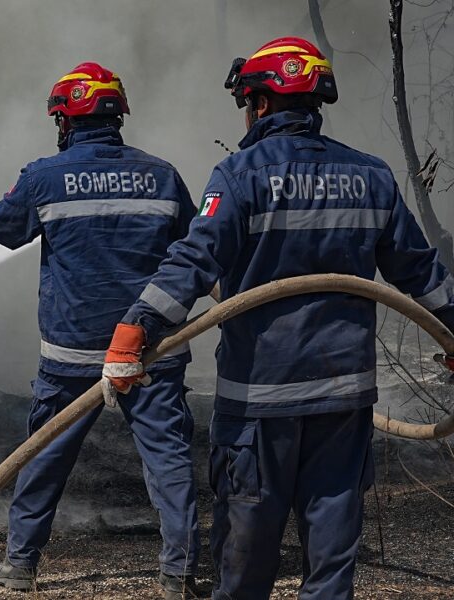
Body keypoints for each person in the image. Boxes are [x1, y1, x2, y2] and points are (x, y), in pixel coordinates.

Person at [102, 38, 454, 600]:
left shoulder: (241, 175)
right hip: (343, 402)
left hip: (260, 404)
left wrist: (137, 326)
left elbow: (195, 260)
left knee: (245, 563)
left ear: (261, 104)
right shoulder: (372, 177)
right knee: (330, 566)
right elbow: (420, 270)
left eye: (248, 100)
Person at [0, 62, 201, 598]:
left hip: (71, 354)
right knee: (169, 462)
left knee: (45, 457)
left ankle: (20, 565)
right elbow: (196, 250)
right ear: (117, 116)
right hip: (151, 351)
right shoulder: (162, 174)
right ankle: (180, 572)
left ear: (65, 121)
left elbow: (2, 229)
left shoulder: (44, 175)